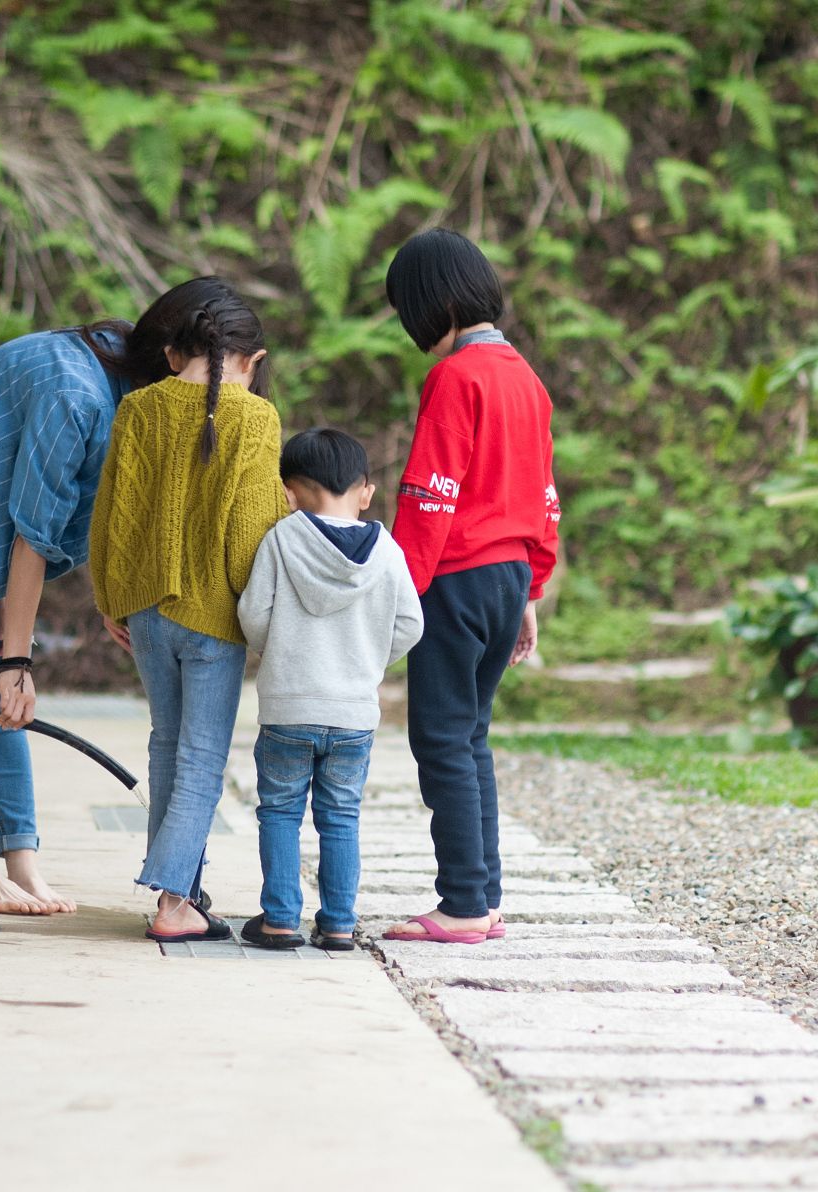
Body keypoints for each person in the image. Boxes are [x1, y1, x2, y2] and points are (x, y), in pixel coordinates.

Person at [0, 290, 216, 917]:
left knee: (2, 696)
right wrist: (16, 660)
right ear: (170, 357)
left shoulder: (130, 391)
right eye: (206, 372)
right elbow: (30, 534)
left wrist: (111, 602)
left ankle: (21, 863)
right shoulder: (78, 394)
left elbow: (107, 508)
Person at [378, 229, 561, 946]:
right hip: (508, 576)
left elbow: (431, 495)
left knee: (442, 740)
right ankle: (481, 899)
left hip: (454, 579)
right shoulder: (526, 378)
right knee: (471, 738)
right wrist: (531, 593)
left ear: (433, 301)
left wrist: (396, 592)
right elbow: (545, 496)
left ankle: (460, 903)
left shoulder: (456, 378)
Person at [88, 277, 284, 943]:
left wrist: (113, 597)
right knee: (203, 757)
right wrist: (256, 618)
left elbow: (111, 513)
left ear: (175, 354)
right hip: (213, 616)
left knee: (167, 744)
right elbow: (250, 535)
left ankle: (186, 889)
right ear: (251, 362)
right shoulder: (256, 419)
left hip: (143, 610)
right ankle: (174, 903)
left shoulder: (138, 409)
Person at [237, 429, 423, 951]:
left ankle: (279, 920)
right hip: (353, 713)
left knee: (279, 811)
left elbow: (253, 615)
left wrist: (278, 651)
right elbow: (410, 623)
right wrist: (367, 663)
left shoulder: (280, 538)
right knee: (340, 817)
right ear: (364, 491)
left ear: (289, 490)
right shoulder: (387, 551)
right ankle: (338, 922)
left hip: (288, 706)